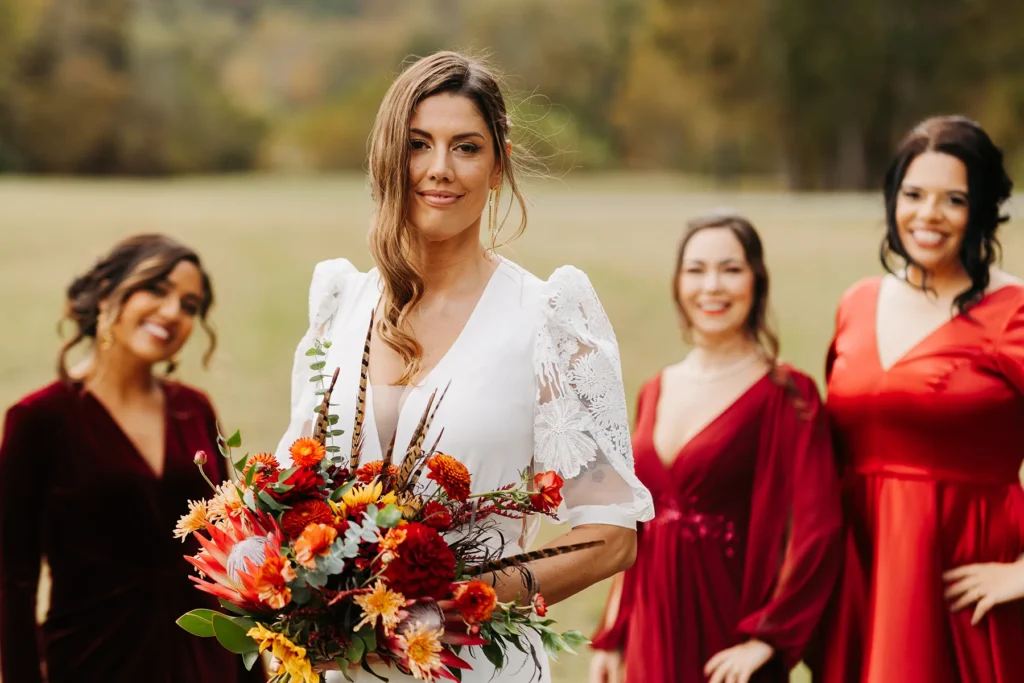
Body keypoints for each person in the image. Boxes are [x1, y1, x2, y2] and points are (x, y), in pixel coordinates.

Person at [274, 51, 653, 683]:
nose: (439, 170)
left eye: (466, 147)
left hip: (471, 667)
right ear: (387, 158)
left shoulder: (550, 318)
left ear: (498, 164)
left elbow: (611, 537)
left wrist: (460, 604)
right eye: (418, 144)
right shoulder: (339, 305)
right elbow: (291, 485)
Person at [588, 214, 842, 683]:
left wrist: (768, 638)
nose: (712, 286)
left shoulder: (788, 395)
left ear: (756, 281)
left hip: (730, 638)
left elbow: (818, 530)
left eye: (730, 269)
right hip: (651, 627)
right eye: (696, 269)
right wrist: (614, 632)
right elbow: (636, 523)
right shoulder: (655, 389)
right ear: (678, 283)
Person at [0, 234, 265, 683]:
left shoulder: (195, 409)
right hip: (93, 662)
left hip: (206, 664)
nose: (172, 313)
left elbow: (229, 559)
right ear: (108, 292)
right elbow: (12, 580)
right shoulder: (39, 419)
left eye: (189, 305)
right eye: (156, 289)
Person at [818, 116, 1024, 683]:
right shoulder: (856, 303)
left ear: (981, 209)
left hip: (965, 582)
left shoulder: (1015, 312)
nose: (927, 215)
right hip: (863, 576)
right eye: (913, 194)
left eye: (953, 199)